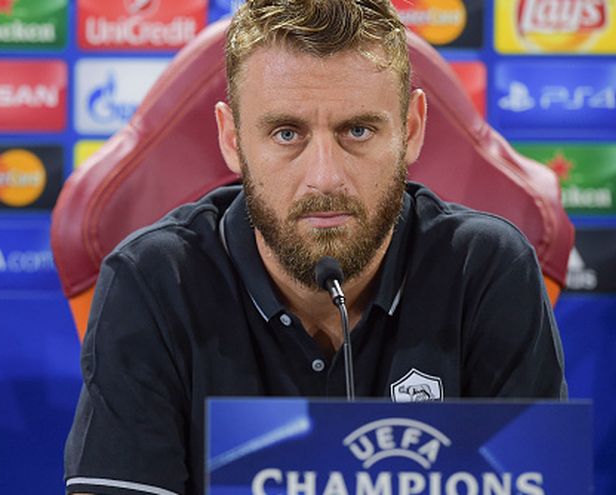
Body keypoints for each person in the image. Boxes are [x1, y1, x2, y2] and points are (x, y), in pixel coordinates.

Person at [64, 0, 567, 494]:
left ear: (411, 129)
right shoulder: (154, 281)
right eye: (287, 133)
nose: (325, 177)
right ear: (232, 139)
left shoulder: (486, 269)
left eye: (358, 130)